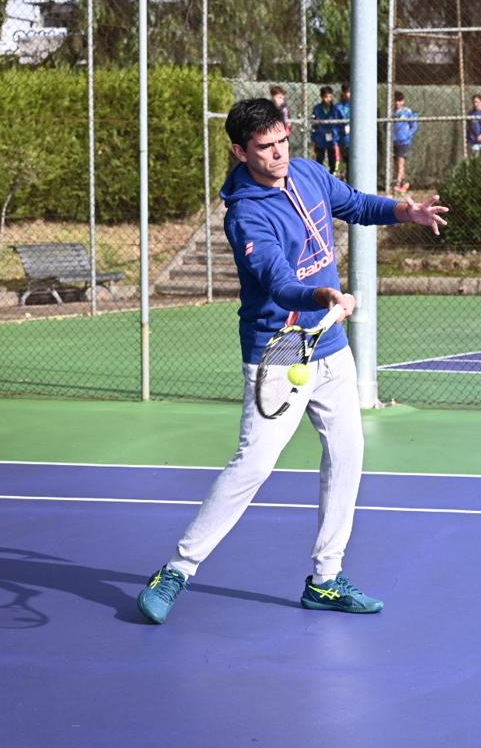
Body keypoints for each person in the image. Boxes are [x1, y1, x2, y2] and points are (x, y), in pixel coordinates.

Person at [136, 98, 447, 625]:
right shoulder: (246, 215)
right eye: (264, 147)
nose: (278, 154)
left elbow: (353, 203)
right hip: (281, 346)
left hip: (329, 344)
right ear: (240, 151)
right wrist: (321, 295)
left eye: (282, 142)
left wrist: (404, 212)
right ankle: (177, 570)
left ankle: (325, 580)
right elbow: (278, 281)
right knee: (254, 465)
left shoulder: (306, 173)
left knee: (348, 455)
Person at [312, 85, 343, 176]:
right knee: (319, 158)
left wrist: (338, 136)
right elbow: (314, 123)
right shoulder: (317, 108)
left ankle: (332, 174)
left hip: (332, 137)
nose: (328, 99)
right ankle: (319, 175)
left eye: (330, 96)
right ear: (321, 97)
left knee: (332, 158)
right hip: (320, 137)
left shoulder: (335, 109)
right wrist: (314, 138)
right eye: (326, 97)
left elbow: (340, 122)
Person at [391, 91, 419, 192]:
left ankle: (398, 184)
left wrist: (408, 135)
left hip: (404, 142)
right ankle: (404, 183)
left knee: (400, 163)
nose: (397, 103)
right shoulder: (392, 113)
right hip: (394, 141)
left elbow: (414, 125)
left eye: (399, 101)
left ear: (403, 101)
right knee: (396, 163)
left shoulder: (407, 112)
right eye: (395, 101)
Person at [337, 83, 353, 180]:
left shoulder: (356, 106)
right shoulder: (339, 107)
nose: (348, 94)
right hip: (342, 139)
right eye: (347, 92)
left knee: (351, 163)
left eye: (350, 92)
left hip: (353, 140)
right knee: (340, 161)